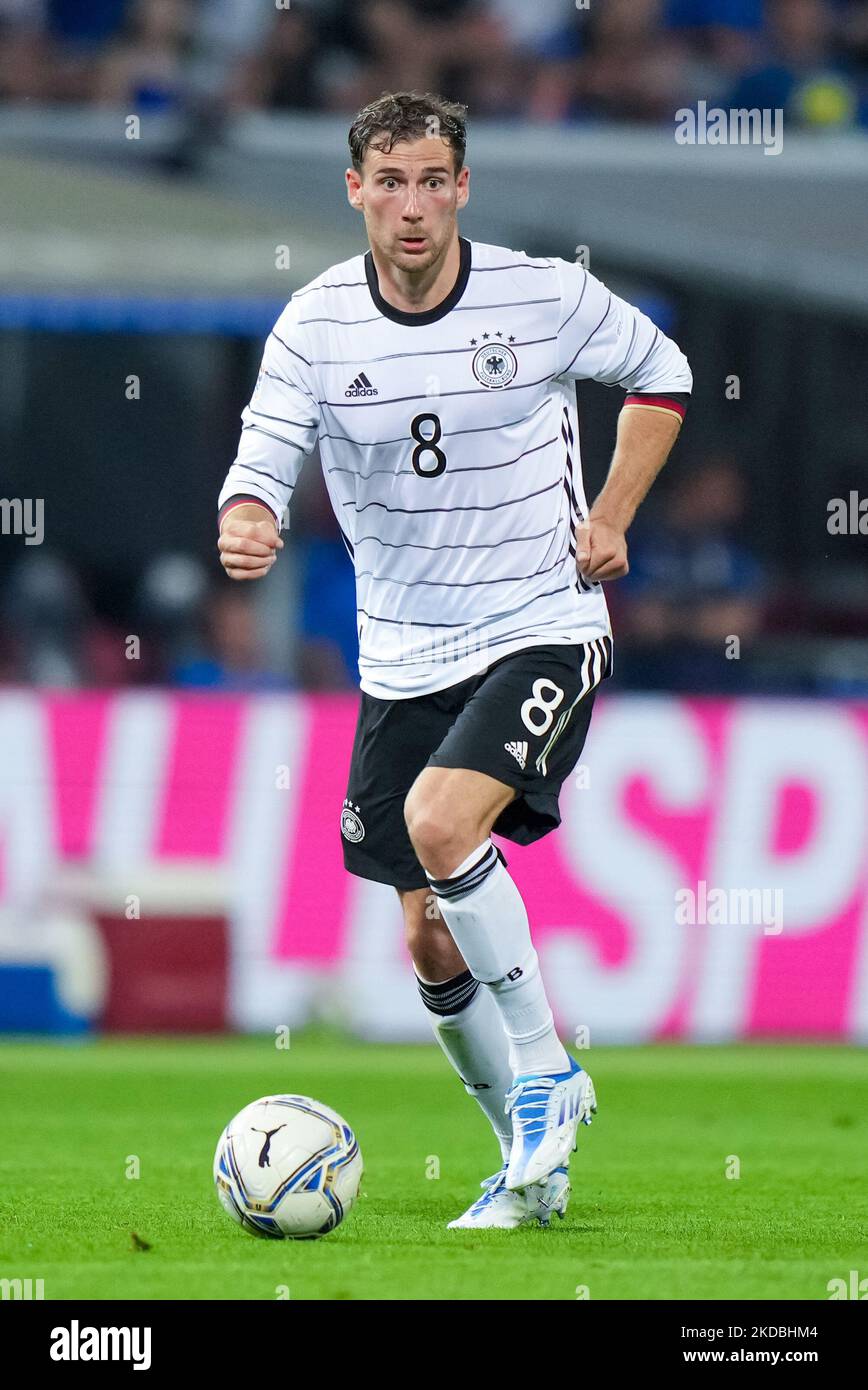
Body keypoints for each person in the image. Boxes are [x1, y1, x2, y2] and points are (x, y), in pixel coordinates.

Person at [216, 91, 692, 1229]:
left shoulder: (542, 294)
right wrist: (246, 511)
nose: (413, 206)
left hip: (541, 623)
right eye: (390, 183)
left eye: (434, 181)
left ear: (463, 187)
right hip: (402, 656)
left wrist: (615, 511)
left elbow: (663, 373)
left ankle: (546, 1074)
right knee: (425, 926)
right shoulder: (316, 322)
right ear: (354, 192)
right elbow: (266, 446)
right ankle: (526, 1171)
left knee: (441, 827)